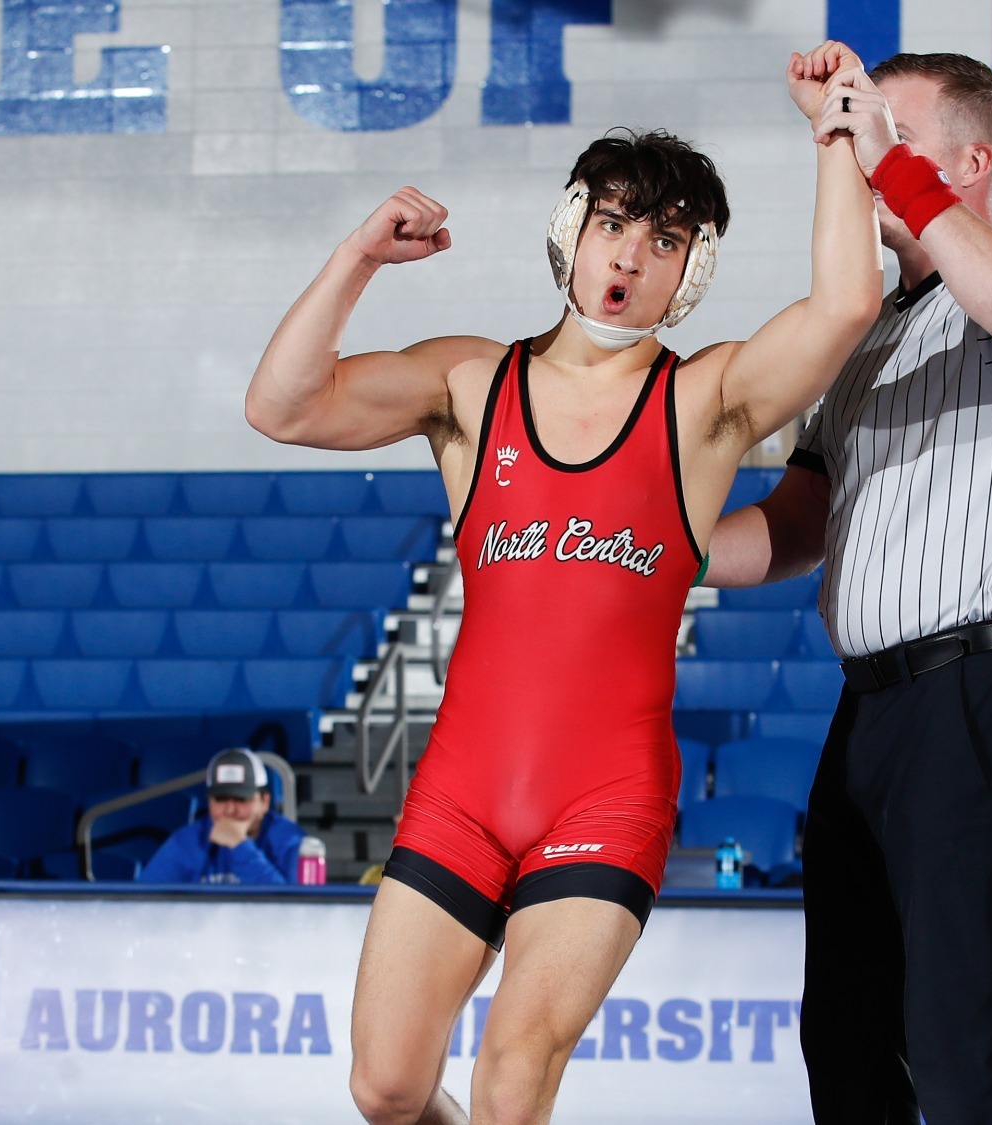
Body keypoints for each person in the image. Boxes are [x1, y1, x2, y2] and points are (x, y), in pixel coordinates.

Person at [244, 42, 881, 1125]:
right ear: (571, 234)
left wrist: (834, 137)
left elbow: (841, 309)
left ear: (693, 272)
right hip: (460, 793)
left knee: (509, 1083)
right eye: (614, 222)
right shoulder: (468, 380)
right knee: (387, 1085)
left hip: (606, 796)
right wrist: (357, 256)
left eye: (665, 236)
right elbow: (282, 407)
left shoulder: (705, 402)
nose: (631, 252)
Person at [705, 47, 992, 1125]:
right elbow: (791, 529)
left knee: (960, 1033)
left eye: (896, 128)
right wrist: (644, 543)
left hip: (981, 688)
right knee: (844, 1030)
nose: (866, 145)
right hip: (872, 705)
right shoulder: (863, 336)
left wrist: (873, 151)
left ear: (969, 162)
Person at [138, 748, 304, 885]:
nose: (230, 810)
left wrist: (240, 846)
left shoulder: (288, 840)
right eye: (220, 799)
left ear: (264, 801)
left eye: (241, 799)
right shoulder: (188, 841)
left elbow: (292, 909)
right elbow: (145, 903)